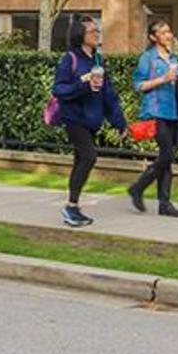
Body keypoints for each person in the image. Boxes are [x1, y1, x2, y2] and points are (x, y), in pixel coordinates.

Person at [51, 17, 126, 228]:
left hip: (92, 120)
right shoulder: (70, 59)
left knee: (80, 161)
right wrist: (83, 83)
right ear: (80, 35)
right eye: (92, 31)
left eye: (97, 30)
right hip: (74, 119)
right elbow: (59, 89)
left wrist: (119, 122)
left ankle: (72, 207)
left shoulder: (98, 60)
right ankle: (70, 207)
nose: (96, 34)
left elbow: (108, 95)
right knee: (89, 156)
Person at [128, 19, 178, 218]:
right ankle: (138, 187)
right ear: (153, 37)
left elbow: (176, 85)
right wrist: (162, 79)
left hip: (172, 111)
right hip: (155, 111)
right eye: (162, 33)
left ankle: (164, 203)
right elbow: (138, 85)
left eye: (169, 31)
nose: (168, 35)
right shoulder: (148, 58)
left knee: (167, 158)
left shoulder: (174, 58)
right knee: (167, 155)